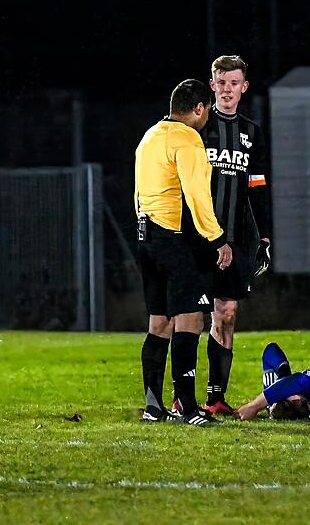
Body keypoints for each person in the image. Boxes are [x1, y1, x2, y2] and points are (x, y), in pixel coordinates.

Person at [134, 79, 232, 427]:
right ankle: (189, 409)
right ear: (200, 109)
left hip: (146, 237)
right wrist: (216, 238)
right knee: (191, 317)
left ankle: (152, 405)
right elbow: (196, 195)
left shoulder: (150, 136)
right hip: (174, 239)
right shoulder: (187, 139)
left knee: (160, 320)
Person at [189, 55, 272, 416]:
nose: (227, 89)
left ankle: (214, 398)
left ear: (244, 87)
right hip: (198, 236)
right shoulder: (195, 128)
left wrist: (265, 237)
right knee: (189, 315)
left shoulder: (252, 133)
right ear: (212, 86)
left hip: (237, 237)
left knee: (227, 311)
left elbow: (257, 186)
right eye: (221, 83)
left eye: (234, 83)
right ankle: (182, 395)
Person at [237, 342, 310, 421]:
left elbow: (270, 350)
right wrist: (253, 406)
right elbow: (299, 381)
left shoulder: (273, 396)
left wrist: (284, 375)